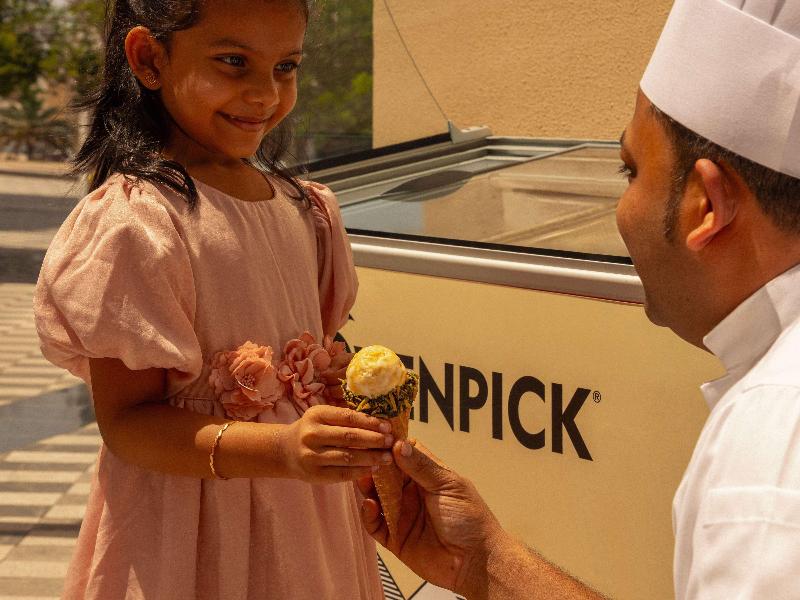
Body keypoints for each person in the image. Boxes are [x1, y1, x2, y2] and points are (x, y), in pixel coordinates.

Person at [358, 0, 800, 598]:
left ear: (706, 206)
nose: (623, 209)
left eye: (630, 171)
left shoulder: (770, 453)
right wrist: (484, 563)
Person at [33, 1, 392, 598]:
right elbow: (127, 423)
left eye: (286, 66)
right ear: (149, 58)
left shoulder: (306, 212)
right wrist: (281, 447)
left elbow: (315, 351)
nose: (265, 93)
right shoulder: (140, 223)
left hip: (307, 523)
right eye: (233, 61)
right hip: (189, 534)